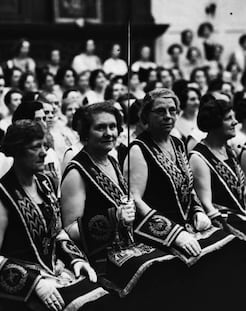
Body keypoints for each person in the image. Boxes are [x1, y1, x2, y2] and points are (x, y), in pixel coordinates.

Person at [60, 102, 190, 309]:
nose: (109, 133)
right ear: (85, 132)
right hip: (100, 258)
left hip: (129, 244)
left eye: (113, 127)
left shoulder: (111, 160)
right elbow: (68, 230)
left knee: (175, 263)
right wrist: (113, 218)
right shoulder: (76, 171)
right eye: (100, 128)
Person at [125, 88, 246, 308]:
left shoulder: (177, 143)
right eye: (160, 111)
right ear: (146, 117)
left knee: (232, 249)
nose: (168, 116)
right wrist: (175, 235)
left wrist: (198, 211)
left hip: (188, 225)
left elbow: (189, 189)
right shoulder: (138, 149)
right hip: (156, 233)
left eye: (172, 110)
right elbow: (135, 200)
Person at [0, 119, 115, 311]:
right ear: (17, 151)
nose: (44, 152)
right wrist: (36, 283)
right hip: (23, 288)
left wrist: (76, 259)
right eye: (36, 147)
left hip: (57, 271)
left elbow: (57, 231)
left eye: (44, 145)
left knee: (105, 299)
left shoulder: (44, 183)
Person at [190, 98, 246, 240]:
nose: (235, 122)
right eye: (229, 119)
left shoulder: (229, 150)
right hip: (223, 224)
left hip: (240, 216)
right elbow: (207, 205)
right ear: (214, 123)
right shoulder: (199, 157)